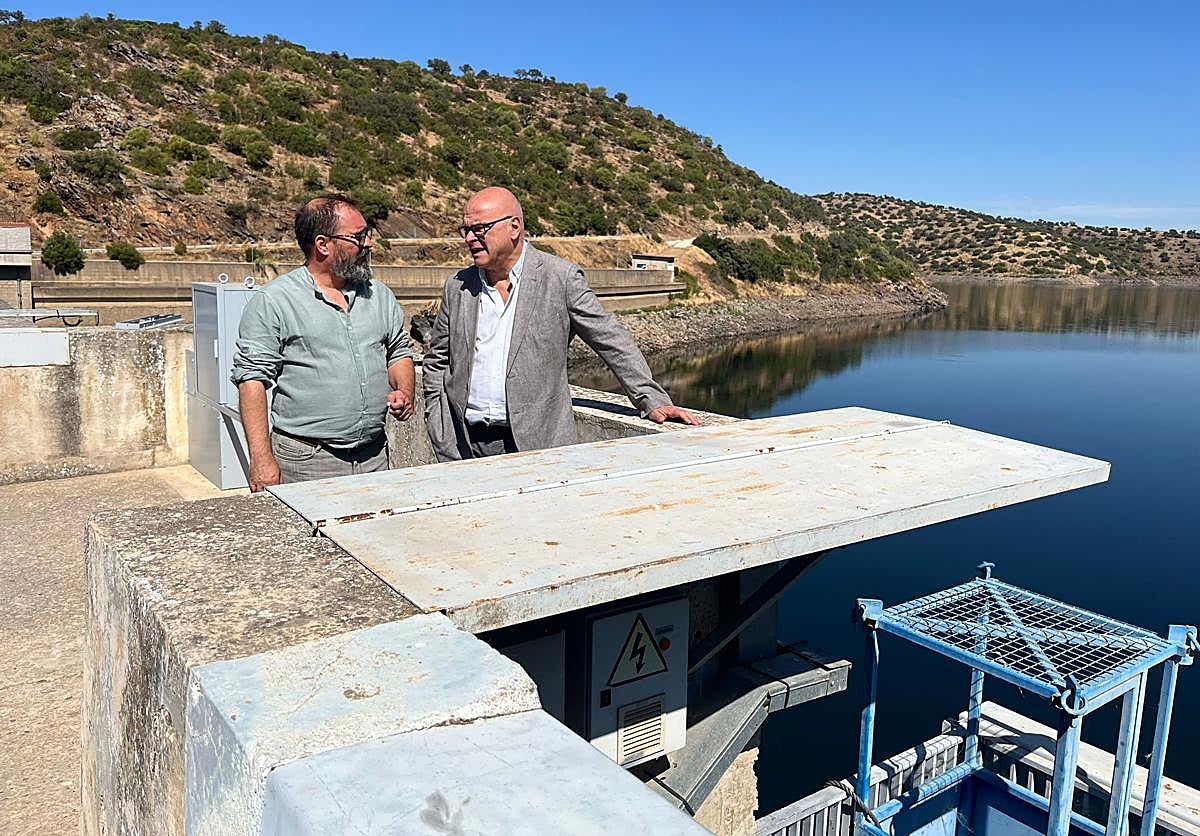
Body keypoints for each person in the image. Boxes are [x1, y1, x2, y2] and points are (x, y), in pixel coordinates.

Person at [422, 186, 698, 460]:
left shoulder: (560, 278)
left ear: (514, 227)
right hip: (465, 444)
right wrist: (438, 424)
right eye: (466, 230)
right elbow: (437, 362)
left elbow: (611, 340)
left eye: (480, 229)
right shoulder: (457, 286)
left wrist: (651, 398)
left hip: (538, 447)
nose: (470, 239)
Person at [231, 194, 415, 491]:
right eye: (358, 237)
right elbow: (252, 380)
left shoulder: (380, 296)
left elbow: (398, 351)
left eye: (367, 234)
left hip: (374, 457)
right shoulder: (274, 301)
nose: (368, 243)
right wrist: (261, 459)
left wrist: (405, 390)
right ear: (323, 245)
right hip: (307, 461)